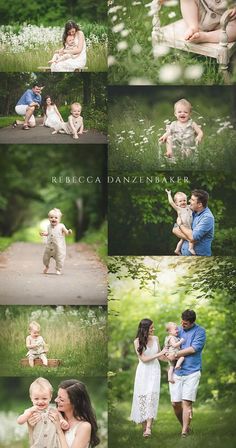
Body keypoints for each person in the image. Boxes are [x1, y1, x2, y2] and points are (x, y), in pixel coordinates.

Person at [166, 310, 206, 438]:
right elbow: (169, 342)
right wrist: (167, 354)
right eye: (182, 322)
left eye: (186, 324)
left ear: (192, 322)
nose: (182, 325)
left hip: (192, 371)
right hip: (177, 372)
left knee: (186, 402)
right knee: (175, 403)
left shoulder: (200, 331)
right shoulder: (178, 330)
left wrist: (176, 354)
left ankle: (184, 432)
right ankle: (186, 426)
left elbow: (193, 349)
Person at [130, 319, 167, 438]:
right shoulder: (137, 341)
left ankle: (149, 428)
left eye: (153, 327)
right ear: (144, 329)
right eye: (151, 328)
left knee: (151, 397)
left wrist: (171, 357)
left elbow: (161, 356)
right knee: (142, 398)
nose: (153, 329)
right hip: (143, 372)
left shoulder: (155, 338)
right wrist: (159, 354)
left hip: (154, 371)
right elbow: (144, 359)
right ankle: (144, 428)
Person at [17, 377, 69, 448]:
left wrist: (64, 423)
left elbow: (62, 420)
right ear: (31, 398)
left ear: (50, 397)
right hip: (37, 445)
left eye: (44, 398)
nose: (40, 401)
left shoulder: (54, 410)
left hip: (53, 445)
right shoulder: (30, 411)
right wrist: (28, 413)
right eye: (36, 398)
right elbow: (19, 421)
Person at [172, 189, 215, 256]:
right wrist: (188, 238)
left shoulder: (207, 218)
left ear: (200, 204)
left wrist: (180, 225)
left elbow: (192, 237)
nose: (189, 201)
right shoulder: (192, 211)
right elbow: (175, 229)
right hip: (185, 257)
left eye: (192, 200)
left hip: (199, 259)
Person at [40, 208, 72, 275]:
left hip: (58, 247)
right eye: (51, 217)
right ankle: (46, 266)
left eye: (56, 218)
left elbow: (66, 232)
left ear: (59, 219)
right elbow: (48, 233)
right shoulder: (49, 226)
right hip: (49, 246)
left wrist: (69, 232)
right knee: (45, 257)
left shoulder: (61, 226)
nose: (53, 219)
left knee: (59, 258)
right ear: (49, 218)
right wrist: (44, 234)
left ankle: (58, 269)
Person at [165, 189, 195, 255]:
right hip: (182, 227)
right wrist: (169, 194)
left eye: (184, 200)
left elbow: (194, 204)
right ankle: (190, 248)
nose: (183, 202)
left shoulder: (189, 207)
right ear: (176, 203)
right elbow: (171, 202)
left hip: (188, 227)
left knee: (182, 239)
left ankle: (177, 250)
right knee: (190, 238)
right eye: (180, 201)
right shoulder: (179, 209)